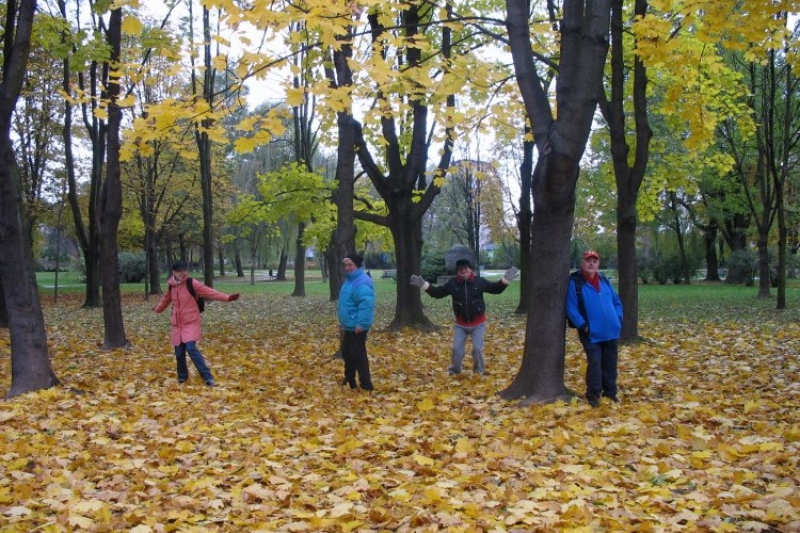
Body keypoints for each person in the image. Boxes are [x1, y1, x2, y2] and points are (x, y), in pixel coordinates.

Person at [410, 260, 518, 376]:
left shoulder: (479, 282)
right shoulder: (452, 283)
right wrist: (423, 284)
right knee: (457, 350)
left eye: (466, 268)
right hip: (460, 325)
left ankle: (478, 372)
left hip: (478, 324)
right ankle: (454, 372)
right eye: (460, 269)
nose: (463, 271)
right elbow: (437, 293)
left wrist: (506, 279)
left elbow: (495, 289)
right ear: (457, 272)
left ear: (470, 269)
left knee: (477, 349)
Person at [153, 260, 240, 386]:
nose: (183, 273)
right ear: (174, 272)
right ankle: (182, 378)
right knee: (179, 352)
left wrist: (227, 298)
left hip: (191, 322)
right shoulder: (172, 285)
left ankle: (208, 378)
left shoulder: (191, 283)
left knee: (190, 348)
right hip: (177, 324)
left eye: (185, 270)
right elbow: (166, 299)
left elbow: (209, 291)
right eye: (180, 271)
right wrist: (157, 309)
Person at [565, 250, 623, 407]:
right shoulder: (575, 282)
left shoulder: (604, 281)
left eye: (595, 261)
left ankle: (610, 394)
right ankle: (593, 396)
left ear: (598, 264)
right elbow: (571, 307)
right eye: (588, 260)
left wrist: (618, 318)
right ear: (582, 263)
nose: (591, 263)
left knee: (610, 365)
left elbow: (617, 302)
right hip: (590, 333)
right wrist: (583, 326)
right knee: (595, 365)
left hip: (611, 331)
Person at [337, 253, 375, 391]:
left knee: (358, 355)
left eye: (350, 265)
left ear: (357, 265)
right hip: (349, 325)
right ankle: (349, 379)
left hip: (357, 326)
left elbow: (366, 305)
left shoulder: (362, 281)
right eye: (346, 265)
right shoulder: (350, 279)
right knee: (347, 352)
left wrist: (361, 324)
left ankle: (366, 384)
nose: (347, 268)